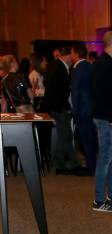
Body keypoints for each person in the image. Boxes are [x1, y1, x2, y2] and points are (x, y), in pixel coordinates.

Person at [91, 30, 112, 211]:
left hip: (109, 118)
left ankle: (111, 196)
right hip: (107, 120)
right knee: (106, 159)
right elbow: (99, 95)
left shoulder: (106, 63)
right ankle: (98, 200)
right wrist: (111, 116)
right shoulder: (104, 64)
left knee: (111, 159)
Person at [43, 46, 87, 175]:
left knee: (65, 136)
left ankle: (67, 164)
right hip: (59, 107)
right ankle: (62, 165)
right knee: (65, 136)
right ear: (67, 55)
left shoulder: (54, 65)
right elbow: (59, 91)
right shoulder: (59, 67)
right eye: (71, 56)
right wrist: (65, 107)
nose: (72, 59)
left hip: (56, 107)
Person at [70, 42, 97, 175]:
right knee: (91, 139)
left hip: (82, 110)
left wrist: (74, 111)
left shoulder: (78, 69)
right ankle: (93, 165)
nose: (70, 55)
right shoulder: (90, 66)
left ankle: (90, 167)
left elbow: (76, 93)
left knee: (86, 140)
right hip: (91, 108)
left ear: (75, 54)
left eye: (71, 52)